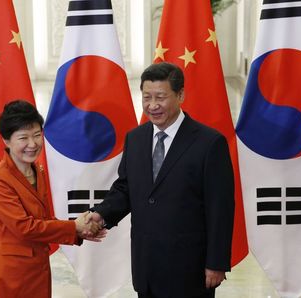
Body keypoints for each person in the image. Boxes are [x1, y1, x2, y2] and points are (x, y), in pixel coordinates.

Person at [88, 62, 235, 298]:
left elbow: (221, 208)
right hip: (147, 265)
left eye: (161, 97)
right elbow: (126, 188)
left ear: (180, 95)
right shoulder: (135, 138)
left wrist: (216, 262)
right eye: (147, 97)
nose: (152, 105)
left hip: (190, 269)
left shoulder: (209, 143)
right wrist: (101, 214)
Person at [0, 100, 103, 298]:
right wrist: (74, 227)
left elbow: (43, 220)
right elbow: (24, 227)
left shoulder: (38, 171)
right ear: (6, 140)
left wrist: (78, 231)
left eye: (37, 135)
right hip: (8, 272)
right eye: (23, 138)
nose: (32, 144)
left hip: (37, 269)